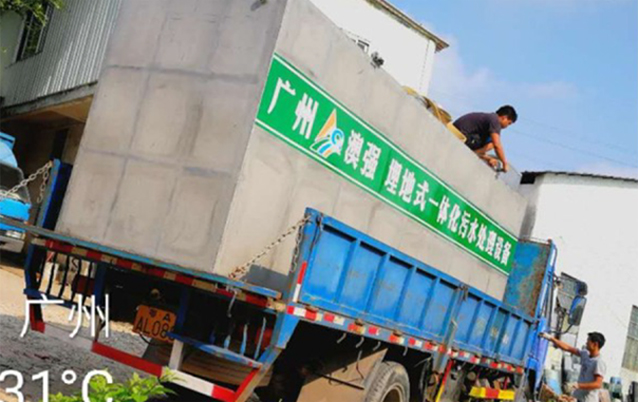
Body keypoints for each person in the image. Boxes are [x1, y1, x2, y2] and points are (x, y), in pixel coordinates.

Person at [540, 332, 607, 402]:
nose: (586, 343)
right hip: (578, 398)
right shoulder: (585, 354)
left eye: (588, 341)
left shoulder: (598, 362)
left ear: (595, 344)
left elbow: (598, 384)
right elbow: (568, 348)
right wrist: (550, 338)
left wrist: (578, 385)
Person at [452, 105, 518, 172]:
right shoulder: (495, 121)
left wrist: (488, 158)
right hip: (462, 135)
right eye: (508, 123)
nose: (507, 126)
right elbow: (497, 145)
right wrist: (504, 163)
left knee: (489, 141)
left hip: (463, 134)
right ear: (504, 117)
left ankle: (476, 154)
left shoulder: (490, 118)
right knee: (492, 143)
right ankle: (474, 154)